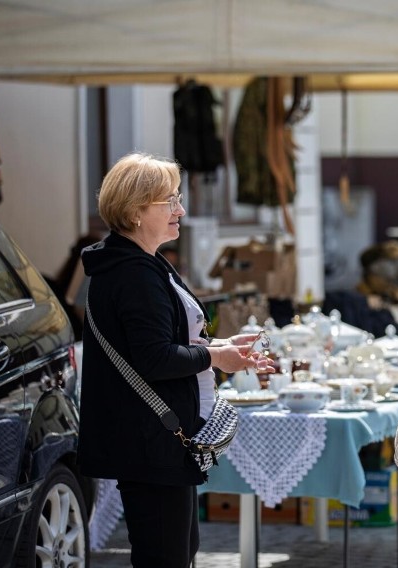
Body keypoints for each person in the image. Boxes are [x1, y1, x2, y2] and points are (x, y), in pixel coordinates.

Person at [77, 152, 273, 567]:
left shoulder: (139, 264)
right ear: (134, 212)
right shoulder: (133, 274)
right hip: (149, 444)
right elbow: (155, 358)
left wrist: (219, 345)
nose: (180, 210)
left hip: (154, 441)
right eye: (169, 201)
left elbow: (161, 343)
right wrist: (215, 355)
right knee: (165, 556)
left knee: (178, 552)